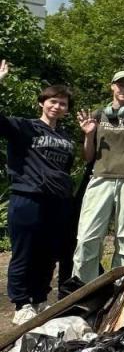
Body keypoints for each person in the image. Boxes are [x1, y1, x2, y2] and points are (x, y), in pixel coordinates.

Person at [0, 61, 77, 324]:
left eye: (63, 104)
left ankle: (40, 299)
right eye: (53, 101)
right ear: (42, 103)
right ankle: (21, 303)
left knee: (48, 254)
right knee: (25, 252)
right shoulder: (25, 127)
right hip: (28, 197)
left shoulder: (66, 137)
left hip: (57, 203)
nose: (57, 106)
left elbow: (65, 169)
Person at [73, 69, 124, 282]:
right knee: (87, 237)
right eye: (121, 85)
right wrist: (89, 135)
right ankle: (83, 288)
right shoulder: (98, 115)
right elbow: (89, 156)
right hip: (101, 178)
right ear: (112, 86)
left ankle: (121, 288)